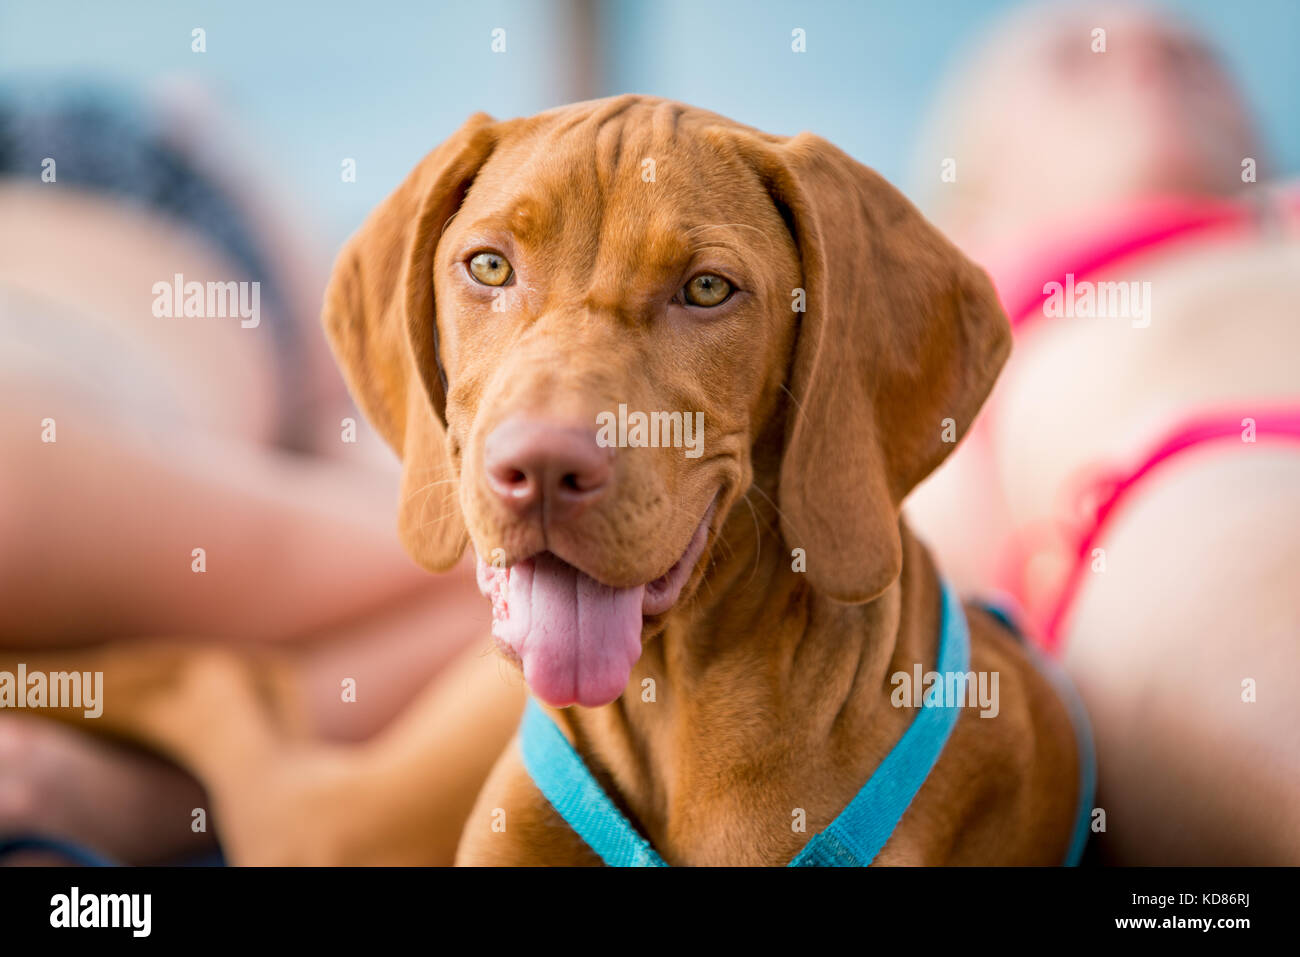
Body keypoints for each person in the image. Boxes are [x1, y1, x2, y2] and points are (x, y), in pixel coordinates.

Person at [905, 1, 1300, 863]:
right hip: (1196, 504)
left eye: (1192, 58)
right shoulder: (958, 327)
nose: (1150, 67)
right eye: (1074, 64)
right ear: (969, 199)